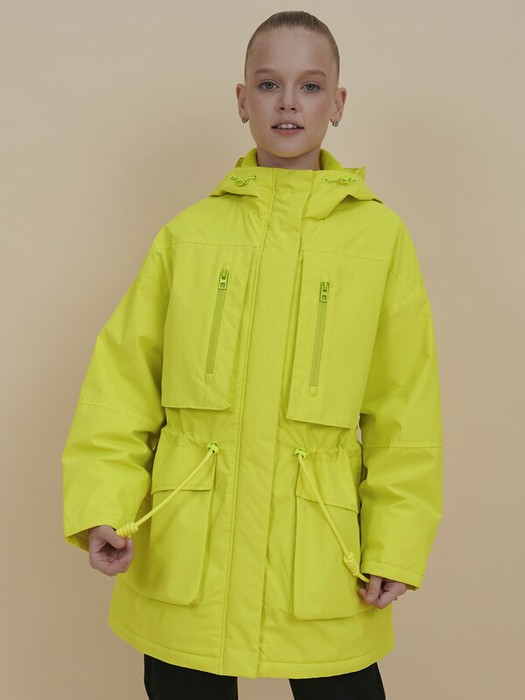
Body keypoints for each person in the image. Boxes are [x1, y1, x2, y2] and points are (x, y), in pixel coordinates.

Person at [62, 10, 443, 700]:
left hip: (320, 555)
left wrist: (396, 542)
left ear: (338, 103)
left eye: (309, 86)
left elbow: (404, 411)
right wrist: (103, 505)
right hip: (189, 556)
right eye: (269, 84)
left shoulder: (380, 240)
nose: (288, 102)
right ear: (242, 100)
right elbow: (122, 384)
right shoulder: (188, 235)